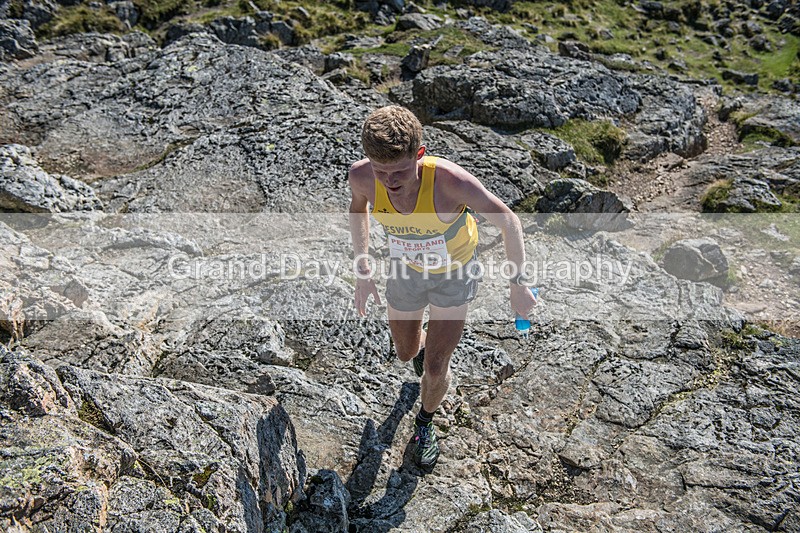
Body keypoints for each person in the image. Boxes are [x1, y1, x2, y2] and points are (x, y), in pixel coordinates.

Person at [348, 105, 536, 467]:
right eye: (380, 170)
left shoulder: (450, 182)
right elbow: (358, 210)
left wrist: (518, 284)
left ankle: (425, 423)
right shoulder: (361, 177)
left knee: (435, 367)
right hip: (406, 271)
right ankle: (423, 349)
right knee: (405, 353)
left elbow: (509, 222)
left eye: (400, 170)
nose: (389, 181)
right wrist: (362, 268)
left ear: (419, 155)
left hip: (455, 274)